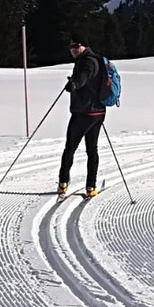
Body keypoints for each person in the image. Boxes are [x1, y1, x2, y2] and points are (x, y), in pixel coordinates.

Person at [58, 38, 106, 198]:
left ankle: (63, 183)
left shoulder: (87, 62)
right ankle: (91, 187)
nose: (73, 49)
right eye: (70, 47)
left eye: (76, 46)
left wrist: (74, 84)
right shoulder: (91, 60)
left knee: (70, 148)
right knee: (92, 150)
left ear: (84, 46)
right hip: (97, 112)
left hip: (84, 113)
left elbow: (84, 77)